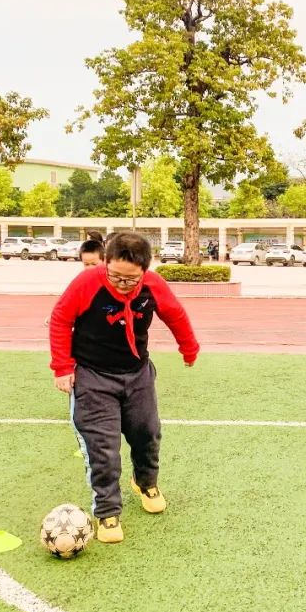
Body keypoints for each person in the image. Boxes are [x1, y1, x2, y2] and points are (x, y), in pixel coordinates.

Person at [49, 232, 200, 543]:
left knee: (147, 433)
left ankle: (146, 482)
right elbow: (60, 319)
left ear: (145, 270)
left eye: (130, 280)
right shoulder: (86, 283)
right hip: (93, 376)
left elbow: (175, 315)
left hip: (137, 374)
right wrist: (62, 367)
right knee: (103, 448)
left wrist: (189, 348)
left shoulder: (154, 285)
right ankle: (107, 511)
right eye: (115, 275)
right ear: (106, 264)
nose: (121, 284)